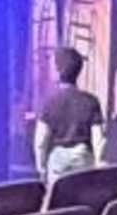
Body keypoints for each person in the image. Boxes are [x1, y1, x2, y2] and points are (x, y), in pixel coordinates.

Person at [31, 45, 105, 185]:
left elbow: (40, 141)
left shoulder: (49, 102)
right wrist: (98, 164)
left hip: (57, 164)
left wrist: (42, 169)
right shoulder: (91, 101)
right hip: (83, 161)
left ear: (58, 71)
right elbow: (99, 139)